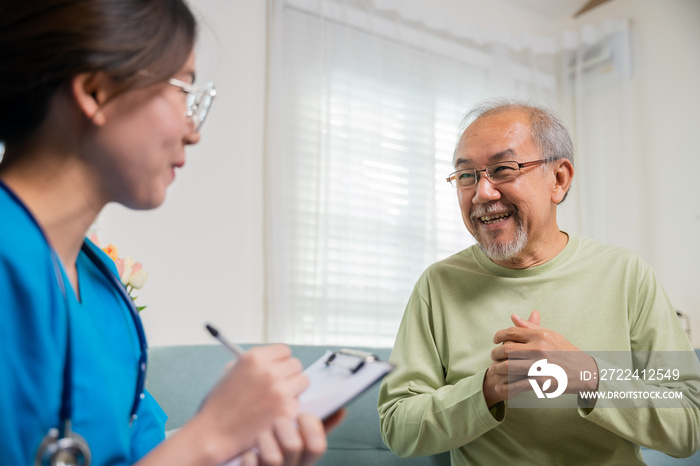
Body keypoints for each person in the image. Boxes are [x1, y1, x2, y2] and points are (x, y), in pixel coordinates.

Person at [0, 1, 343, 465]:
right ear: (97, 92)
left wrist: (240, 454)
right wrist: (210, 437)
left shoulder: (102, 289)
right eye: (183, 90)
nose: (192, 131)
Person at [377, 98, 700, 465]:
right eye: (467, 175)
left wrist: (588, 375)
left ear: (558, 180)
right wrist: (486, 389)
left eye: (504, 169)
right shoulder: (438, 285)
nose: (482, 193)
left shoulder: (626, 273)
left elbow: (689, 423)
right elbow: (398, 428)